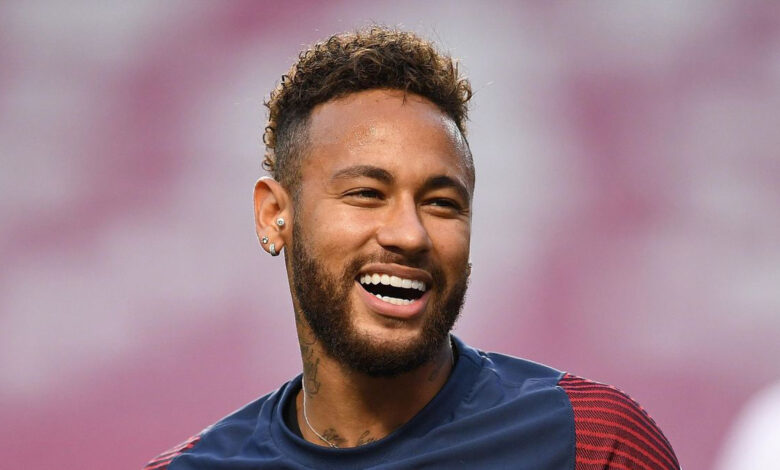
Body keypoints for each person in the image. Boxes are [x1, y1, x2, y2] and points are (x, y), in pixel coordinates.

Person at [144, 27, 680, 470]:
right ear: (274, 215)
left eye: (442, 203)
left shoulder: (590, 444)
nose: (410, 234)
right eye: (366, 194)